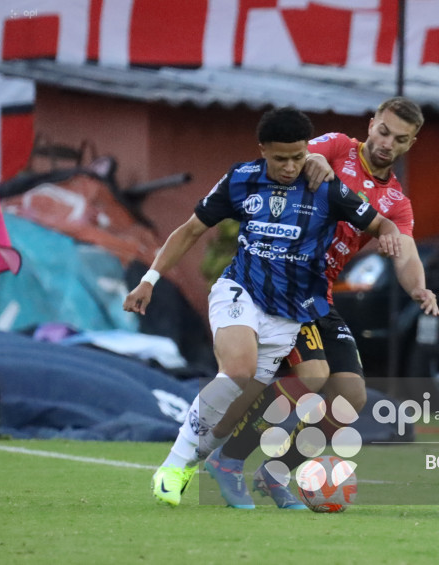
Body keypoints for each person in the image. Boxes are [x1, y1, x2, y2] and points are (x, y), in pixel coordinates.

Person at [123, 107, 402, 506]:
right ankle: (174, 464)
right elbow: (190, 230)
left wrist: (389, 234)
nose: (290, 167)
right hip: (241, 291)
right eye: (280, 158)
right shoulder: (241, 179)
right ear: (263, 151)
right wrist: (149, 280)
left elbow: (380, 223)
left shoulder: (327, 188)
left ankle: (217, 460)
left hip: (290, 312)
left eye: (298, 156)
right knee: (238, 369)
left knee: (261, 395)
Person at [202, 97, 439, 509]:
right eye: (383, 131)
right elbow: (293, 160)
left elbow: (405, 252)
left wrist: (419, 288)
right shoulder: (335, 146)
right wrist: (317, 162)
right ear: (371, 124)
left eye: (400, 139)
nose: (387, 143)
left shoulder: (396, 202)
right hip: (281, 283)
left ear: (411, 144)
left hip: (319, 297)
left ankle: (274, 472)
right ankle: (228, 458)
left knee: (351, 398)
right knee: (311, 377)